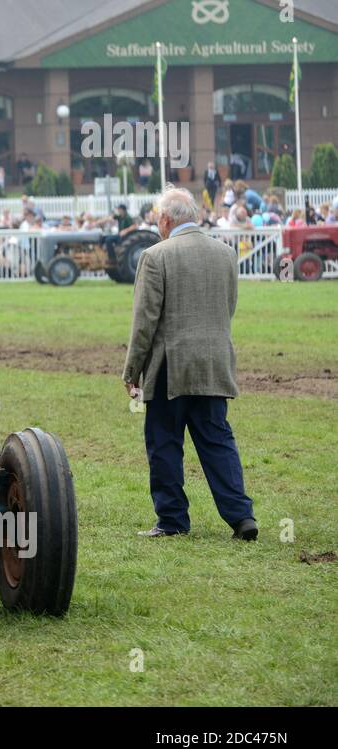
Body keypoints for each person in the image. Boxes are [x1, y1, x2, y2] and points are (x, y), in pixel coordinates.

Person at [123, 187, 256, 541]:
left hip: (171, 366)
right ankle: (242, 516)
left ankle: (172, 520)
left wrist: (131, 371)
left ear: (166, 220)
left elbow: (145, 322)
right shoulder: (226, 254)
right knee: (217, 440)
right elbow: (228, 307)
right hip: (214, 362)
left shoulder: (154, 256)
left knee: (164, 441)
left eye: (157, 220)